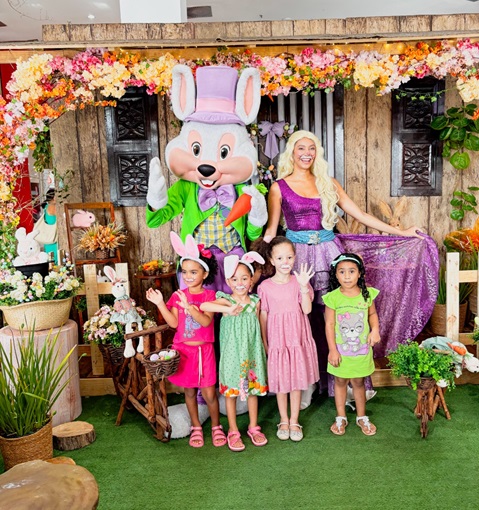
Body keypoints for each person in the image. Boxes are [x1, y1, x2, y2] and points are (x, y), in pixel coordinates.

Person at [262, 130, 434, 399]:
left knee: (341, 314)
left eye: (311, 148)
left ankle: (346, 382)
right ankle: (304, 384)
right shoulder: (278, 187)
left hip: (329, 254)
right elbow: (272, 231)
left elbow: (361, 214)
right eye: (301, 148)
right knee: (300, 317)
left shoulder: (328, 183)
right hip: (297, 259)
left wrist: (401, 232)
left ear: (317, 152)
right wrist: (257, 261)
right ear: (291, 152)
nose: (306, 153)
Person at [146, 233, 226, 449]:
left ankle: (216, 426)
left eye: (194, 272)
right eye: (185, 271)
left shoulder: (210, 296)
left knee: (209, 393)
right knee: (189, 392)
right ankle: (196, 426)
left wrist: (190, 308)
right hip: (184, 352)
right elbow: (173, 323)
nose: (188, 276)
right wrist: (160, 303)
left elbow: (205, 321)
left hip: (204, 352)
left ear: (205, 273)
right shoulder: (177, 295)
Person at [200, 251, 268, 452]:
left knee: (253, 390)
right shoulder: (225, 301)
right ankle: (233, 430)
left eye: (244, 278)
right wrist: (228, 310)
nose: (240, 283)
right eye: (235, 279)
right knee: (231, 393)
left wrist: (265, 346)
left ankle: (253, 427)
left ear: (251, 280)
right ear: (228, 282)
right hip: (232, 355)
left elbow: (261, 326)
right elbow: (203, 305)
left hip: (252, 353)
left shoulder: (255, 302)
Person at [258, 236, 319, 442]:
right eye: (280, 258)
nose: (285, 262)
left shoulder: (299, 281)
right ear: (271, 260)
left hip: (297, 338)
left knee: (295, 381)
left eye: (289, 257)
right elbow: (263, 315)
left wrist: (303, 286)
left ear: (295, 257)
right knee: (281, 381)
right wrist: (265, 342)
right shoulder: (265, 287)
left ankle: (294, 420)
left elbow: (307, 309)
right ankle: (283, 420)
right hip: (278, 340)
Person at [323, 253, 380, 436]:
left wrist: (375, 330)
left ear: (360, 273)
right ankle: (341, 416)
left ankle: (361, 416)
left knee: (358, 382)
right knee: (340, 381)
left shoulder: (367, 294)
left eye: (351, 271)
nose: (347, 276)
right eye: (342, 272)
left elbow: (372, 315)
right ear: (336, 275)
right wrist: (332, 350)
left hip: (361, 351)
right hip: (340, 352)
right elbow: (329, 324)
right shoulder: (332, 298)